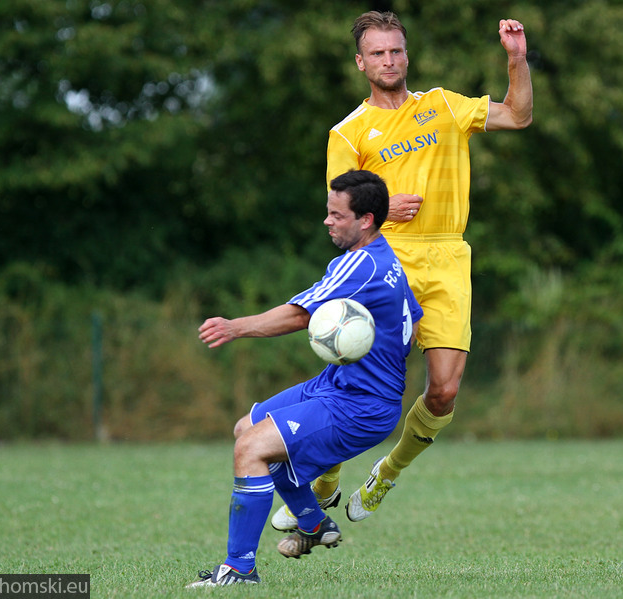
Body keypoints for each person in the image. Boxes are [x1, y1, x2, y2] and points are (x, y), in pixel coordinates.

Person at [270, 10, 533, 530]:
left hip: (447, 256)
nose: (389, 60)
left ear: (405, 55)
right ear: (361, 62)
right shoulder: (348, 131)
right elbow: (340, 204)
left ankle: (387, 473)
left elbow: (518, 115)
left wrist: (517, 61)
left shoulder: (443, 106)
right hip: (383, 259)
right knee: (356, 378)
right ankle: (324, 479)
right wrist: (386, 207)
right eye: (378, 53)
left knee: (444, 390)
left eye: (396, 50)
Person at [188, 170, 423, 587]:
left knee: (251, 449)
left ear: (365, 219)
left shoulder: (362, 264)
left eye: (337, 215)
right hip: (341, 385)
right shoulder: (385, 260)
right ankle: (314, 523)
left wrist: (235, 327)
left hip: (360, 405)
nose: (328, 221)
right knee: (247, 428)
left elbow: (302, 314)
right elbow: (413, 322)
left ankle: (239, 570)